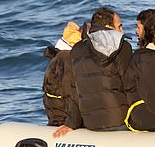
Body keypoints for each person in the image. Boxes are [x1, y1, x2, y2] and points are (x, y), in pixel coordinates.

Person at [53, 7, 132, 137]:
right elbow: (131, 84)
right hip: (122, 120)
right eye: (120, 26)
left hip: (92, 123)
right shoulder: (123, 46)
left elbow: (75, 90)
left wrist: (71, 122)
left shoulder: (77, 49)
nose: (122, 31)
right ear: (108, 26)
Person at [42, 21, 84, 126]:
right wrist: (72, 123)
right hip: (63, 121)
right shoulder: (67, 60)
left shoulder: (60, 57)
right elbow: (70, 94)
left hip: (58, 117)